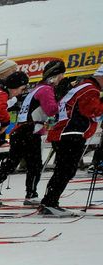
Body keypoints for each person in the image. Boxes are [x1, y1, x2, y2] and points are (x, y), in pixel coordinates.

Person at [0, 61, 65, 206]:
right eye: (61, 76)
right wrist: (62, 98)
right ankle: (31, 195)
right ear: (56, 76)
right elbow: (52, 110)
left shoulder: (37, 88)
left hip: (21, 130)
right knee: (34, 165)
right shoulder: (45, 89)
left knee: (11, 164)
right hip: (29, 131)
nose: (62, 79)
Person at [40, 64, 103, 216]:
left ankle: (49, 201)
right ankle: (50, 202)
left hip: (62, 132)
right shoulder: (90, 89)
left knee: (63, 169)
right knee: (66, 169)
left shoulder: (82, 86)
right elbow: (93, 111)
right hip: (70, 133)